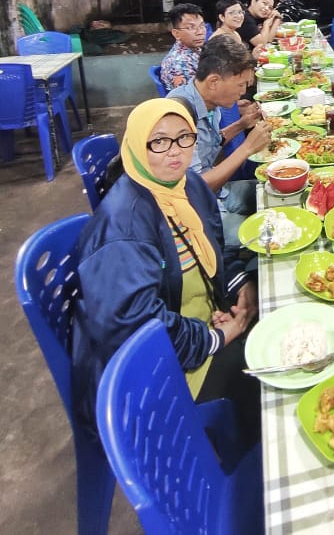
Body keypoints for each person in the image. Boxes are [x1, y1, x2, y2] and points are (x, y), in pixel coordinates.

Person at [71, 99, 260, 442]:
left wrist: (242, 289)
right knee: (271, 389)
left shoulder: (186, 187)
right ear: (136, 144)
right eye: (158, 141)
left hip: (198, 322)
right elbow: (137, 331)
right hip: (156, 374)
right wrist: (219, 336)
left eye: (184, 137)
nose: (175, 151)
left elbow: (215, 250)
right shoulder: (124, 229)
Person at [168, 36, 272, 244]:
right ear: (214, 81)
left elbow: (209, 145)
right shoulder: (178, 117)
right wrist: (247, 148)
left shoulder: (206, 101)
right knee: (270, 237)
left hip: (218, 195)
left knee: (276, 191)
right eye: (240, 85)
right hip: (192, 214)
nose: (243, 92)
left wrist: (241, 124)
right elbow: (195, 188)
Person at [159, 2, 207, 91]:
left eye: (202, 26)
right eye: (190, 27)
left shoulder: (195, 49)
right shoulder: (180, 63)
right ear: (176, 34)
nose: (200, 32)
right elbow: (194, 97)